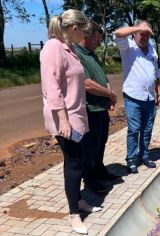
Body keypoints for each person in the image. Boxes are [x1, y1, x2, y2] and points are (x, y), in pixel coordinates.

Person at [40, 9, 101, 235]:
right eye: (83, 31)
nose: (85, 35)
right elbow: (51, 88)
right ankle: (74, 214)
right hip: (65, 119)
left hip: (77, 115)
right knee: (74, 165)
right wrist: (64, 121)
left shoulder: (70, 48)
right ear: (74, 29)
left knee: (79, 160)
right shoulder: (52, 48)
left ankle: (78, 200)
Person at [74, 21, 120, 193]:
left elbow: (102, 77)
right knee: (90, 147)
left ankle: (100, 170)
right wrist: (109, 94)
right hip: (90, 109)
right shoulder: (78, 55)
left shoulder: (92, 55)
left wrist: (109, 91)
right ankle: (90, 179)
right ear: (86, 36)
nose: (99, 43)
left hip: (100, 108)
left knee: (101, 142)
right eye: (96, 39)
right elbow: (87, 84)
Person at [114, 20, 160, 174]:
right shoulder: (128, 47)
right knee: (134, 129)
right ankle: (131, 159)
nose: (145, 36)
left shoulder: (152, 50)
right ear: (135, 32)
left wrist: (158, 92)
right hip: (133, 96)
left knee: (147, 129)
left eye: (147, 33)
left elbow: (156, 73)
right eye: (142, 33)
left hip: (149, 97)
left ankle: (145, 155)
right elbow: (118, 33)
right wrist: (139, 27)